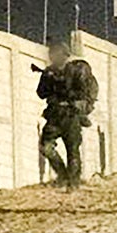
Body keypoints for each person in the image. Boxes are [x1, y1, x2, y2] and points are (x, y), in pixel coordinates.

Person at [36, 41, 99, 188]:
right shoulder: (49, 72)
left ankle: (74, 183)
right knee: (46, 147)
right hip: (55, 115)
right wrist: (49, 80)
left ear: (64, 55)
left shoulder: (76, 71)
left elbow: (82, 92)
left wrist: (66, 89)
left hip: (71, 114)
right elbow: (41, 93)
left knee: (72, 150)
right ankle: (63, 175)